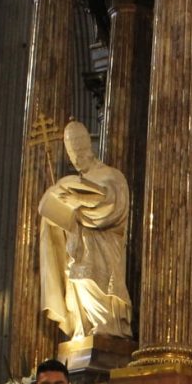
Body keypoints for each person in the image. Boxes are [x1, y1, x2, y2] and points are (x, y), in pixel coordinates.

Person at [38, 121, 132, 341]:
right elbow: (65, 218)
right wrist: (56, 211)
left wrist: (78, 200)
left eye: (79, 152)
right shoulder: (71, 181)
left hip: (103, 252)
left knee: (94, 287)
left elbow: (112, 208)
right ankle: (85, 330)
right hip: (79, 250)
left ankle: (107, 328)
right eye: (72, 155)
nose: (76, 158)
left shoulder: (111, 176)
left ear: (88, 149)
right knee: (76, 292)